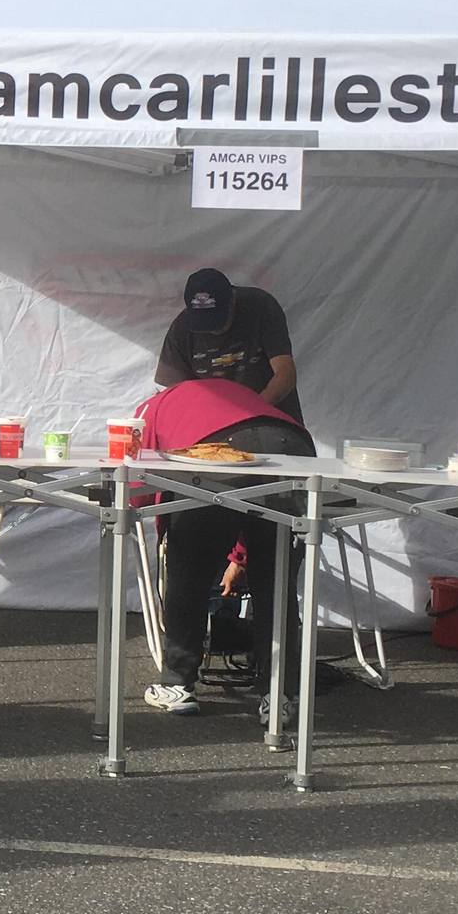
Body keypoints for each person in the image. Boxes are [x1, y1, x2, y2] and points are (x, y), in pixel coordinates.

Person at [135, 373, 314, 725]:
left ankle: (177, 684)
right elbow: (254, 505)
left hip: (212, 453)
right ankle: (279, 695)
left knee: (189, 574)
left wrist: (167, 538)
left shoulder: (151, 408)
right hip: (291, 445)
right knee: (276, 581)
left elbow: (140, 482)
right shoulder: (243, 395)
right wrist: (240, 557)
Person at [154, 266, 300, 420]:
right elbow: (174, 390)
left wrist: (255, 409)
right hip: (217, 421)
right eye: (203, 323)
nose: (212, 329)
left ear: (232, 301)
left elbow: (285, 372)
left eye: (218, 320)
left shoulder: (260, 306)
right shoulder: (181, 328)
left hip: (274, 416)